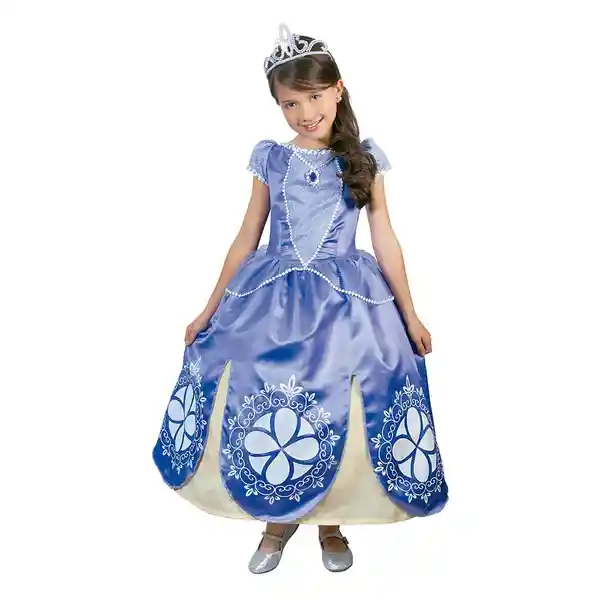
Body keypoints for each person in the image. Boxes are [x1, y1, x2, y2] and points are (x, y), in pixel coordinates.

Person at [152, 23, 449, 574]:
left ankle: (330, 524)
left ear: (338, 89)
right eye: (290, 103)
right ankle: (276, 522)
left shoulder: (362, 159)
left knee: (339, 399)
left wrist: (410, 314)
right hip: (272, 301)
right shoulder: (272, 159)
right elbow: (247, 236)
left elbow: (384, 237)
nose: (304, 113)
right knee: (269, 391)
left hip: (347, 303)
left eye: (313, 97)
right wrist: (208, 309)